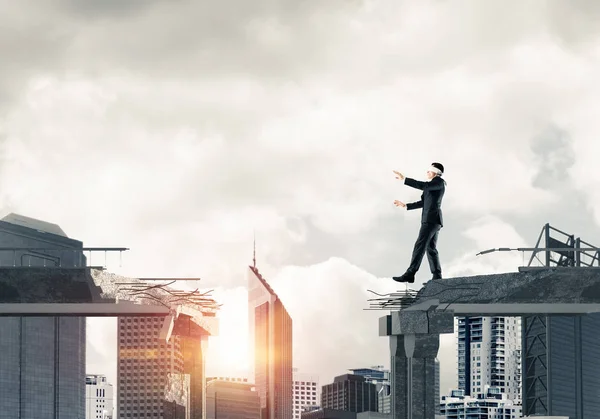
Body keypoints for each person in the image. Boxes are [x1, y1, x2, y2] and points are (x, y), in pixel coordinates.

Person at [392, 162, 446, 283]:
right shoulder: (431, 186)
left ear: (436, 172)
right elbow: (423, 203)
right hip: (432, 220)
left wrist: (405, 179)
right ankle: (437, 275)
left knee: (420, 245)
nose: (427, 172)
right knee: (430, 248)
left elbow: (424, 186)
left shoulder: (438, 182)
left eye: (429, 170)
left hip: (431, 220)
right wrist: (406, 206)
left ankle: (410, 273)